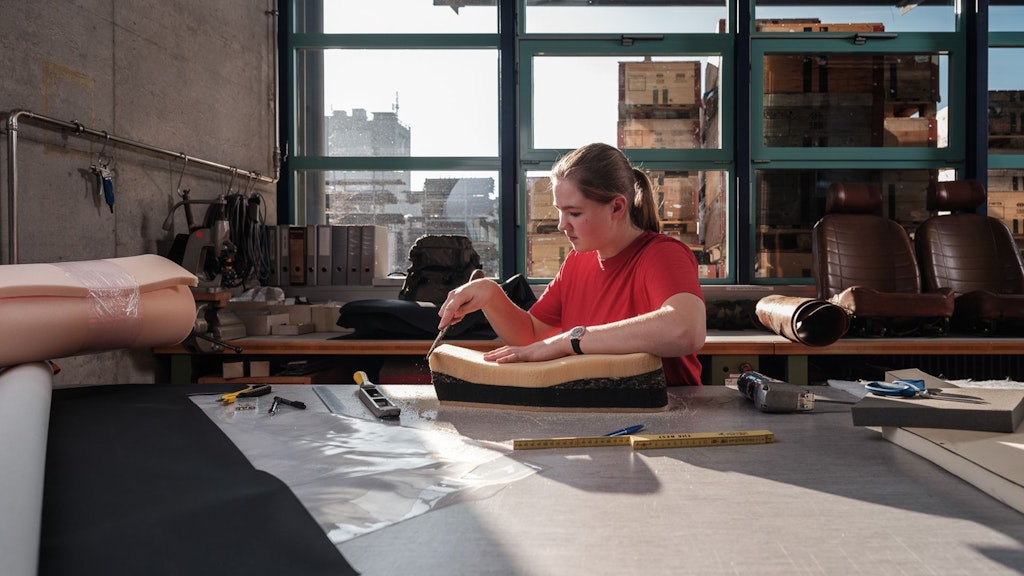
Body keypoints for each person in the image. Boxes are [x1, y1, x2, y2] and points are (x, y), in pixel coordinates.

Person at [437, 142, 706, 386]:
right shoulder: (578, 261)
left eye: (574, 213)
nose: (561, 224)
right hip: (601, 411)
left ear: (616, 207)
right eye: (560, 211)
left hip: (667, 419)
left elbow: (686, 330)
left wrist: (570, 340)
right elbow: (532, 336)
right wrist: (490, 295)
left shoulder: (662, 254)